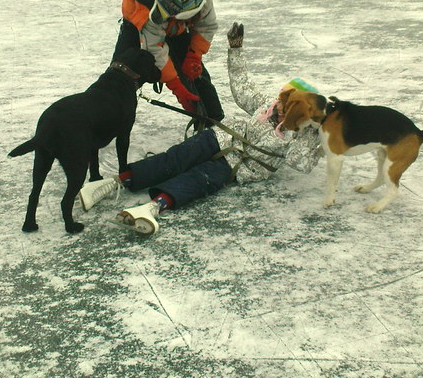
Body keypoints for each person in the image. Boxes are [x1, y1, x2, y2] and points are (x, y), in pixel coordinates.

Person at [82, 22, 323, 235]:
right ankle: (116, 181)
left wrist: (317, 135)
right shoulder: (266, 106)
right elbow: (242, 87)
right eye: (282, 99)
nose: (280, 106)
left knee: (196, 180)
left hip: (239, 165)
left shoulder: (300, 136)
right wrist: (236, 50)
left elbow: (300, 164)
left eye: (288, 105)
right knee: (175, 157)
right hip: (221, 137)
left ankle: (152, 208)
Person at [111, 0, 224, 124]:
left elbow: (207, 27)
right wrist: (176, 85)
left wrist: (194, 56)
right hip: (137, 24)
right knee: (119, 78)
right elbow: (155, 49)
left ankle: (212, 121)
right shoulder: (149, 8)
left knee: (195, 75)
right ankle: (106, 118)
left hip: (177, 27)